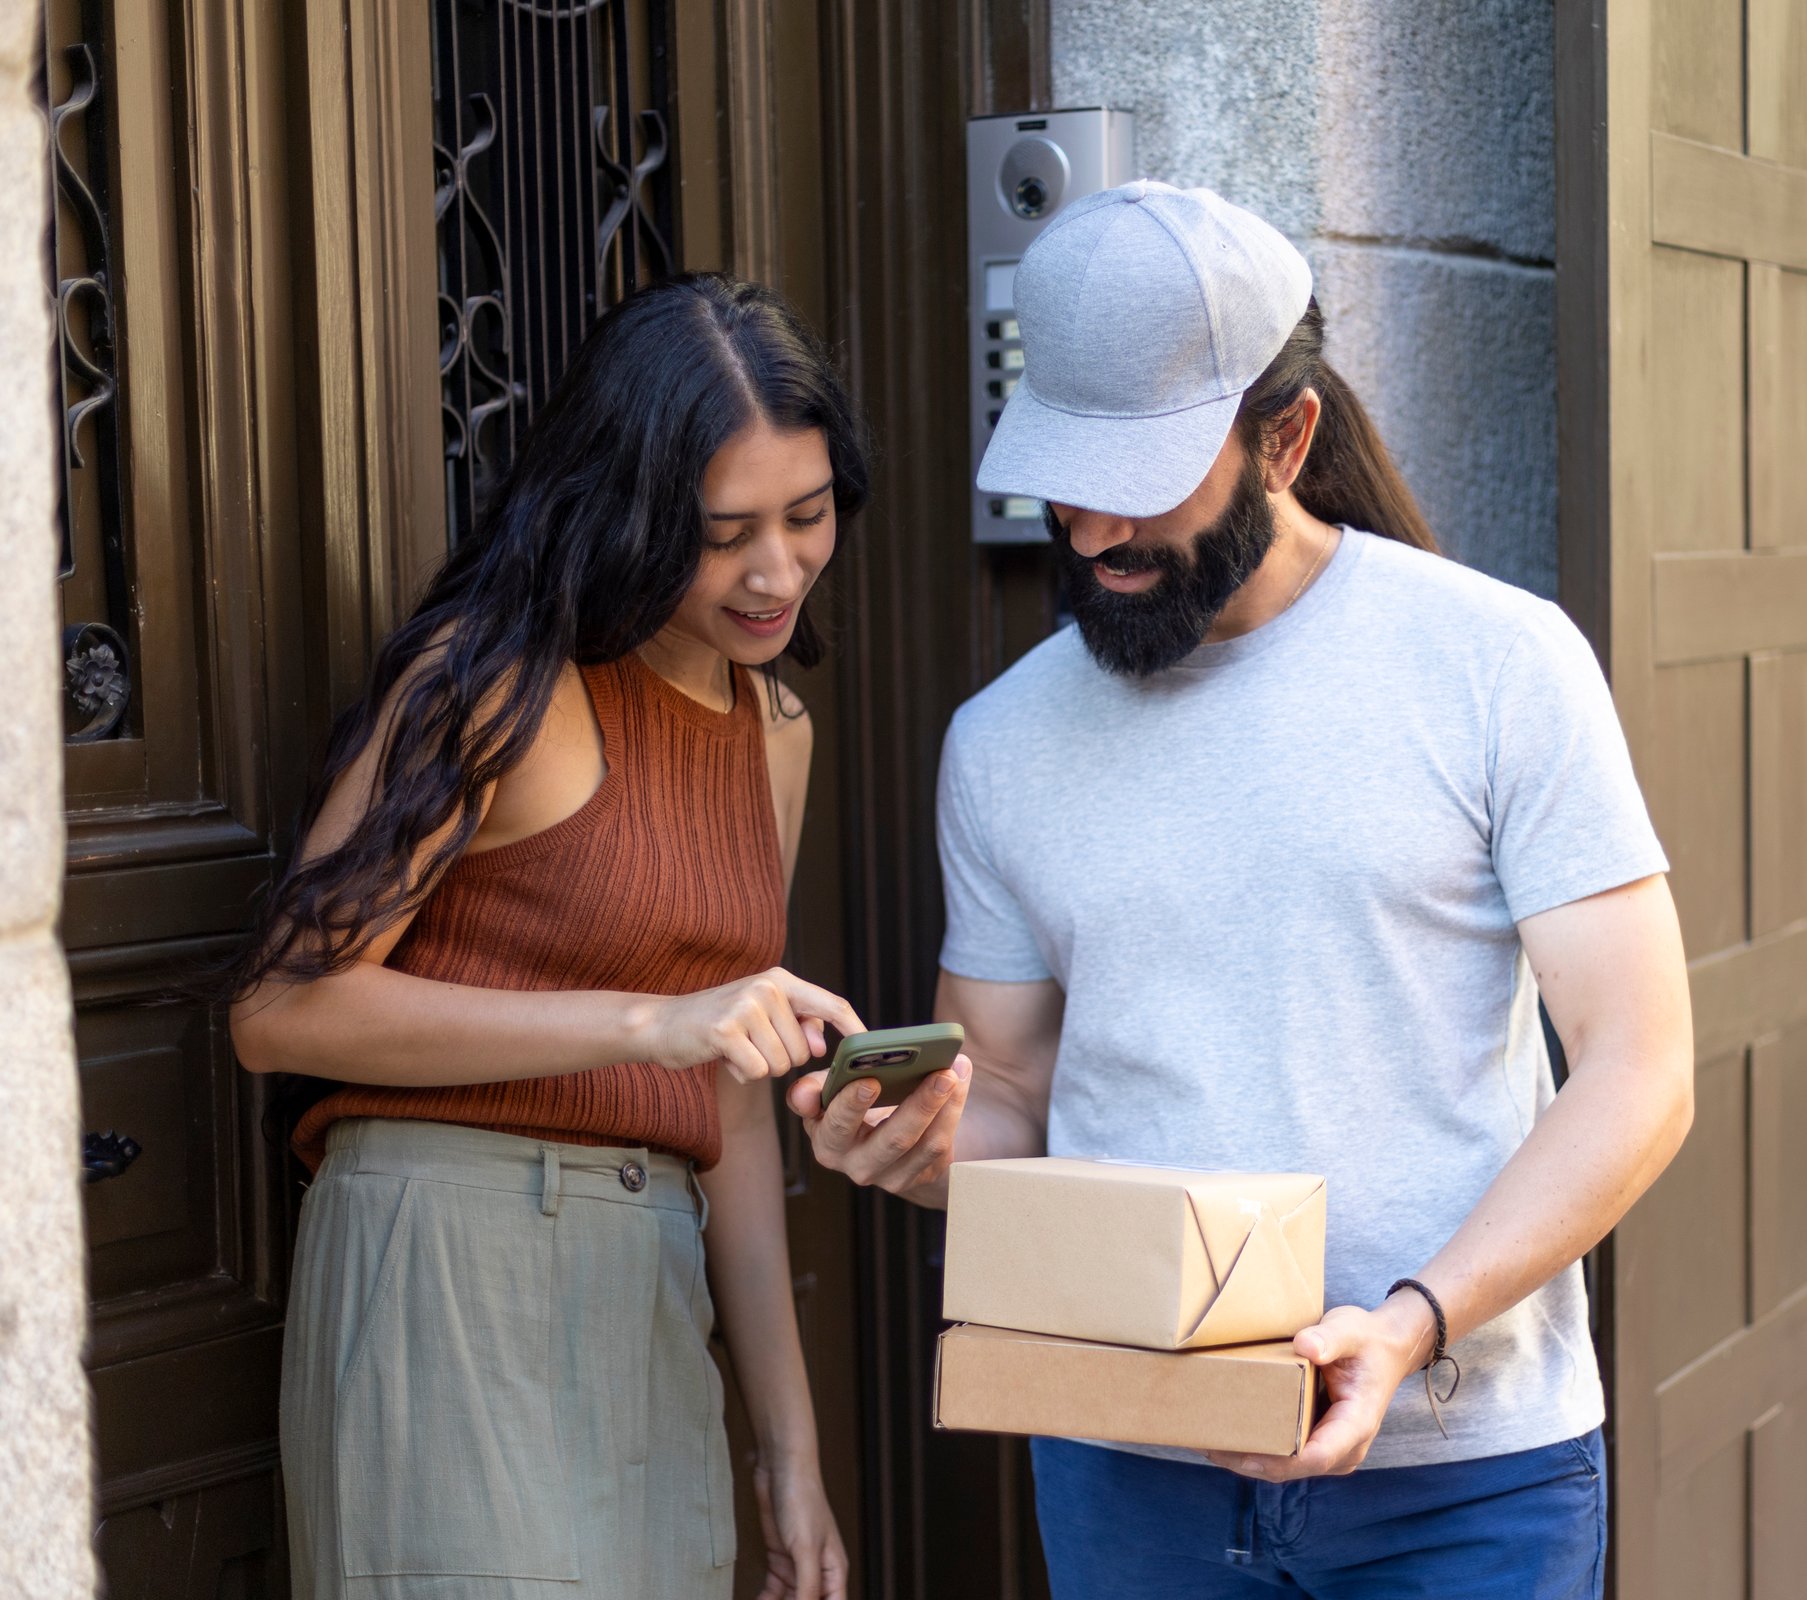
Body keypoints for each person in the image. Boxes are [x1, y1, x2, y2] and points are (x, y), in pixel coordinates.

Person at [792, 182, 1695, 1598]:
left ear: (1286, 436)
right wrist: (913, 1154)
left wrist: (1410, 1323)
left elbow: (1642, 1070)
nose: (1089, 536)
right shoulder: (1004, 743)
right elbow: (1013, 1097)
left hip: (1464, 1479)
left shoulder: (1498, 667)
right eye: (1063, 481)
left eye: (1140, 481)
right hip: (1129, 1466)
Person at [230, 274, 872, 1600]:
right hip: (453, 1257)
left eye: (807, 518)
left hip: (651, 1275)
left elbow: (733, 1100)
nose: (776, 570)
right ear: (633, 512)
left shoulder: (778, 736)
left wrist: (790, 1455)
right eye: (726, 531)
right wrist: (646, 1020)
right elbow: (283, 1010)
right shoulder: (493, 682)